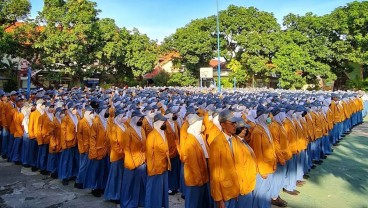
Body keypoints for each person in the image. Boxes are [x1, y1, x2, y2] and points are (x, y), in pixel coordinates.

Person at [177, 114, 211, 208]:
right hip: (195, 179)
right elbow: (193, 164)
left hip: (201, 177)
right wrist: (199, 179)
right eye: (200, 123)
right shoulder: (190, 141)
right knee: (193, 202)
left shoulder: (197, 137)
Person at [209, 109, 241, 208]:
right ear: (223, 125)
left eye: (235, 123)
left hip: (233, 190)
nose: (235, 125)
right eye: (232, 123)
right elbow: (215, 173)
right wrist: (219, 199)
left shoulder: (234, 140)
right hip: (224, 193)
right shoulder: (217, 143)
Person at [249, 105, 277, 208]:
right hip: (262, 169)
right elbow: (257, 153)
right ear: (262, 116)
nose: (269, 117)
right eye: (267, 115)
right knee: (260, 194)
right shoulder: (257, 132)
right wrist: (262, 170)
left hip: (268, 165)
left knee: (266, 192)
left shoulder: (265, 128)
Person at [120, 110, 147, 208]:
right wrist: (132, 164)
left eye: (142, 118)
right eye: (140, 118)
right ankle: (127, 203)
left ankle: (140, 201)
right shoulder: (128, 132)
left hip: (142, 161)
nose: (141, 120)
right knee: (129, 184)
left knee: (140, 183)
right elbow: (126, 149)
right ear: (135, 118)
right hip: (131, 163)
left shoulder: (142, 129)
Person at [145, 113, 171, 208]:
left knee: (161, 189)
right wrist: (151, 170)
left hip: (163, 166)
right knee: (153, 190)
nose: (165, 123)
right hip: (155, 168)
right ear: (158, 123)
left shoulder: (163, 133)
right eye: (163, 121)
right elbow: (149, 155)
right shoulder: (152, 136)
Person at [84, 106, 110, 197]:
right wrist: (93, 151)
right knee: (95, 171)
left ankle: (101, 186)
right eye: (105, 110)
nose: (107, 112)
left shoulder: (106, 121)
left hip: (105, 151)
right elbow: (92, 138)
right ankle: (95, 188)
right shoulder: (96, 122)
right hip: (97, 151)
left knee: (103, 171)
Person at [268, 107, 290, 207]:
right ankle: (274, 197)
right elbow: (276, 145)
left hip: (283, 155)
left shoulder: (278, 125)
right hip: (279, 157)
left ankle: (276, 195)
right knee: (276, 178)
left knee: (279, 178)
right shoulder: (274, 126)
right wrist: (281, 158)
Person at [233, 119, 257, 208]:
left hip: (248, 180)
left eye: (245, 128)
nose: (245, 130)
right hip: (243, 183)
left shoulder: (241, 141)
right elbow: (238, 166)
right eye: (242, 128)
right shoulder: (236, 143)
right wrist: (242, 184)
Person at [104, 110, 127, 202]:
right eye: (122, 116)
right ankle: (113, 195)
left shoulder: (124, 126)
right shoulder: (114, 128)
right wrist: (122, 152)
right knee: (115, 176)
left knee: (121, 176)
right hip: (117, 155)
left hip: (124, 155)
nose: (124, 118)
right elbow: (114, 144)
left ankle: (119, 194)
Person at [59, 102, 80, 185]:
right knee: (66, 160)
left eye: (76, 108)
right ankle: (64, 176)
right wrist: (63, 144)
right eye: (73, 109)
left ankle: (73, 174)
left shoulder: (77, 117)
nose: (75, 110)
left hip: (75, 141)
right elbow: (63, 132)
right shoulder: (65, 118)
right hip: (68, 141)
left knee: (74, 159)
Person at [74, 105, 94, 189]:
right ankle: (79, 181)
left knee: (88, 165)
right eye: (91, 113)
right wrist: (82, 148)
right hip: (85, 147)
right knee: (83, 165)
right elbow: (79, 136)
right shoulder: (82, 122)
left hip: (91, 146)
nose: (93, 115)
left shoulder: (92, 122)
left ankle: (85, 181)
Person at [164, 108, 181, 195]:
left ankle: (175, 186)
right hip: (169, 151)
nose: (174, 115)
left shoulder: (175, 123)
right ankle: (170, 187)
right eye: (172, 114)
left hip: (176, 150)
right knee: (170, 170)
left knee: (175, 170)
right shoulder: (164, 125)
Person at [28, 99, 44, 171]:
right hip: (35, 136)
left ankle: (39, 165)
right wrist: (31, 135)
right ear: (39, 105)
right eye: (43, 104)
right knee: (34, 152)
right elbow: (30, 125)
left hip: (42, 136)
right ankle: (33, 165)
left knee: (40, 152)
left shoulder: (44, 113)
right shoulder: (33, 113)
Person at [10, 97, 25, 164]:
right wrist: (21, 133)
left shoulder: (24, 110)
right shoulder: (14, 111)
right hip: (17, 132)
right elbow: (16, 124)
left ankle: (19, 159)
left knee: (21, 147)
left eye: (22, 101)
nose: (21, 103)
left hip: (23, 131)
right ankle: (15, 158)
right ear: (16, 103)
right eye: (19, 101)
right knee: (16, 146)